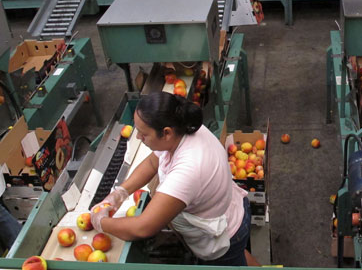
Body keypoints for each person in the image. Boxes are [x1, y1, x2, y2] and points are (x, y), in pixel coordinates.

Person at [90, 92, 250, 266]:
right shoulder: (182, 127)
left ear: (166, 133)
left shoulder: (188, 170)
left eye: (143, 134)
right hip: (230, 207)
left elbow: (144, 227)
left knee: (234, 261)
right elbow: (152, 162)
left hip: (227, 233)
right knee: (239, 257)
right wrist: (121, 192)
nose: (138, 137)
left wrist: (101, 222)